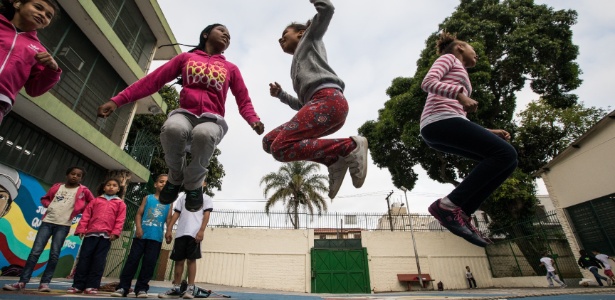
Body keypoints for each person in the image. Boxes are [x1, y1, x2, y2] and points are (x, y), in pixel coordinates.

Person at [97, 23, 264, 213]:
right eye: (222, 31)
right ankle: (175, 178)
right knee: (172, 128)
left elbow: (244, 100)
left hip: (212, 119)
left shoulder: (230, 68)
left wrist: (254, 120)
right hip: (185, 113)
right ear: (206, 34)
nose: (227, 35)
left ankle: (193, 185)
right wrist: (116, 101)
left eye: (229, 35)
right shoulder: (186, 58)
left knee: (204, 134)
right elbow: (152, 81)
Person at [420, 32, 517, 247]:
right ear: (461, 47)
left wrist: (489, 132)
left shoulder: (460, 70)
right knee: (506, 154)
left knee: (506, 160)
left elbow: (458, 115)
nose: (477, 55)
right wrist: (460, 94)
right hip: (439, 121)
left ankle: (461, 212)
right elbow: (428, 82)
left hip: (443, 123)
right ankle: (447, 206)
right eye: (474, 49)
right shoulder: (449, 58)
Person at [264, 0, 368, 200]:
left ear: (301, 33)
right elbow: (303, 106)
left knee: (280, 148)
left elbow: (327, 10)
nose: (280, 40)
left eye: (284, 35)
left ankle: (348, 146)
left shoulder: (310, 38)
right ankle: (332, 158)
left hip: (330, 101)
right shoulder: (296, 67)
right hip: (320, 106)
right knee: (269, 142)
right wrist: (281, 95)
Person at [3, 166, 94, 292]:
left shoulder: (84, 190)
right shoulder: (57, 187)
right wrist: (49, 205)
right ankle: (22, 282)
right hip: (47, 222)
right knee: (35, 252)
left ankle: (45, 283)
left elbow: (92, 204)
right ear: (67, 175)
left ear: (82, 178)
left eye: (79, 175)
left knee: (54, 254)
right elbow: (45, 199)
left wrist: (80, 209)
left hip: (64, 225)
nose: (75, 176)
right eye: (73, 174)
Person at [0, 0, 61, 124]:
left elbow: (34, 90)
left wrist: (52, 71)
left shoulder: (40, 51)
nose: (43, 14)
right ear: (18, 4)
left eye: (48, 16)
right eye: (38, 7)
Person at [111, 174, 171, 298]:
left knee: (149, 264)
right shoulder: (148, 198)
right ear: (155, 184)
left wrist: (168, 232)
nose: (163, 184)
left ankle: (142, 288)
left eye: (166, 183)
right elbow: (138, 214)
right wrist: (138, 228)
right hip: (141, 236)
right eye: (161, 181)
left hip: (156, 238)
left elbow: (169, 219)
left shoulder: (169, 203)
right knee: (132, 261)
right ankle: (123, 287)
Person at [67, 178, 126, 295]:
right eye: (108, 185)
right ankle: (78, 285)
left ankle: (92, 286)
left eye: (114, 185)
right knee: (84, 259)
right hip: (90, 234)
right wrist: (81, 229)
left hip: (106, 237)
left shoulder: (120, 204)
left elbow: (120, 220)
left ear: (118, 189)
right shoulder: (95, 201)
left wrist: (115, 232)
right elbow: (86, 215)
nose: (111, 187)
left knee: (98, 261)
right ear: (104, 187)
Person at [159, 181, 213, 299]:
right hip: (180, 233)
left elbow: (206, 215)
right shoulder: (183, 198)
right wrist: (169, 229)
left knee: (191, 260)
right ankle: (176, 287)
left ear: (204, 184)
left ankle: (191, 287)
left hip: (194, 234)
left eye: (200, 180)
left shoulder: (205, 198)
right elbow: (176, 214)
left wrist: (202, 230)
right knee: (178, 261)